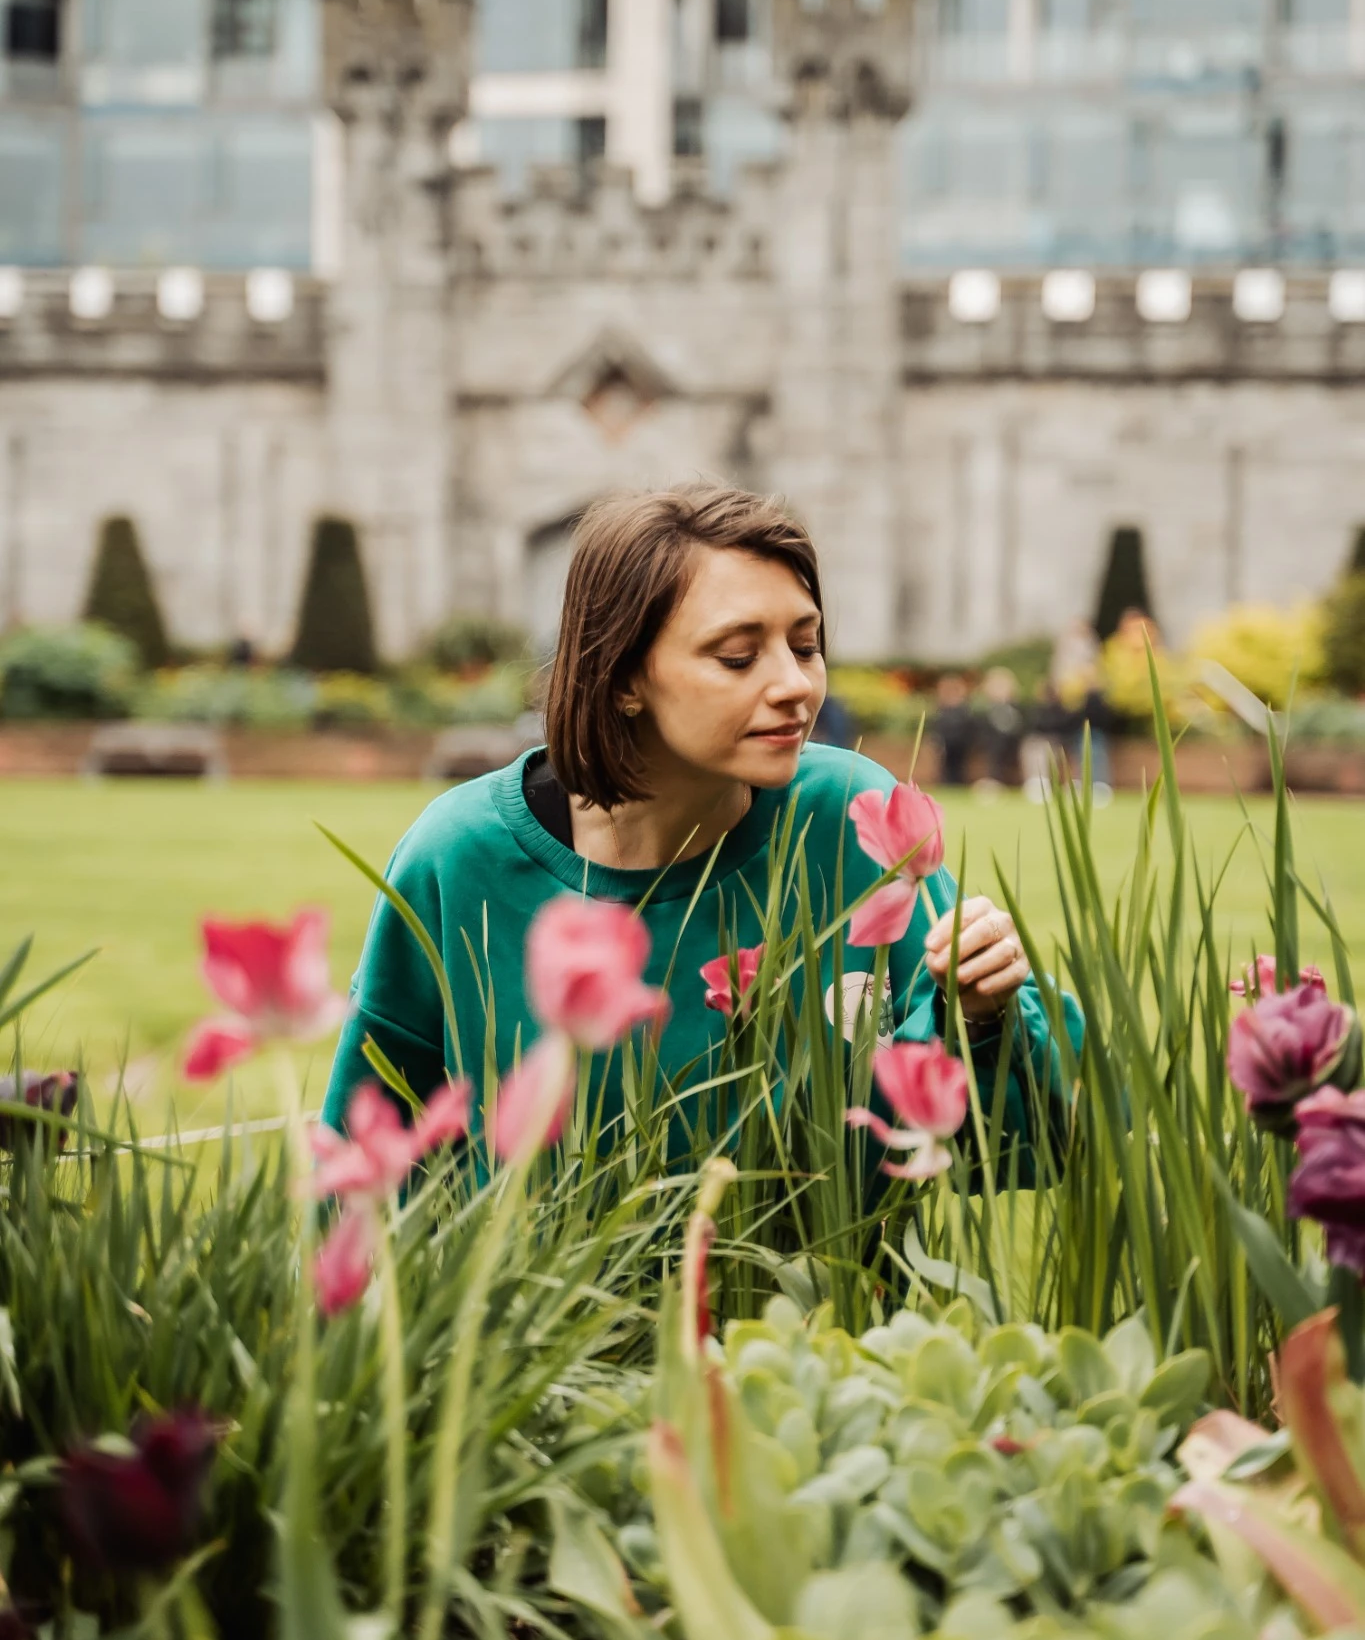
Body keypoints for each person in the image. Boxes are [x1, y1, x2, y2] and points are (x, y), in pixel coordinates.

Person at [324, 487, 1081, 1152]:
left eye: (805, 645)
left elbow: (1013, 1141)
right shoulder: (457, 859)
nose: (795, 685)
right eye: (737, 657)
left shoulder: (852, 820)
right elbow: (369, 1157)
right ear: (622, 676)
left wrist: (978, 1014)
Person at [931, 672, 976, 786]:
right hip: (946, 743)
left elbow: (969, 727)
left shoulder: (963, 709)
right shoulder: (941, 709)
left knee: (960, 767)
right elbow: (937, 727)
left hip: (960, 743)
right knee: (946, 768)